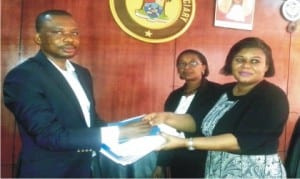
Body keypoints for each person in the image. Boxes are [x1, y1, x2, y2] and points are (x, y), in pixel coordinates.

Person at [2, 9, 150, 178]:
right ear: (38, 38)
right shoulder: (23, 77)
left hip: (87, 169)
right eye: (58, 32)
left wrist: (131, 127)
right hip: (50, 172)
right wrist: (120, 133)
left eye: (74, 33)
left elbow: (90, 122)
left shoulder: (82, 74)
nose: (69, 39)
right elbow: (49, 136)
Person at [144, 37, 289, 178]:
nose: (246, 65)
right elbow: (197, 121)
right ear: (230, 63)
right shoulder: (222, 91)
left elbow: (242, 141)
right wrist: (165, 117)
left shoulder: (272, 97)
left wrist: (185, 143)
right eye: (239, 60)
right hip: (215, 170)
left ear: (266, 67)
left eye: (255, 61)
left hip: (253, 172)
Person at [153, 49, 221, 178]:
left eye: (193, 63)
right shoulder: (174, 96)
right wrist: (161, 164)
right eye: (182, 64)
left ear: (203, 67)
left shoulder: (217, 92)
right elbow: (167, 130)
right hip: (177, 158)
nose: (187, 67)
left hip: (206, 158)